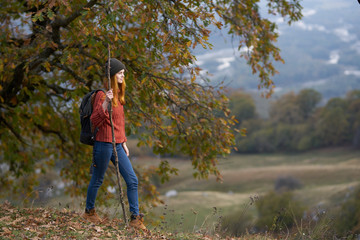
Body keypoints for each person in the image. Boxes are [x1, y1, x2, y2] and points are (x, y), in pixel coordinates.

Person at [81, 58, 146, 230]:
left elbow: (119, 122)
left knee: (132, 180)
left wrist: (123, 140)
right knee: (97, 179)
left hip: (117, 145)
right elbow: (95, 120)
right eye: (120, 73)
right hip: (102, 144)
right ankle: (89, 212)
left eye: (123, 73)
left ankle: (135, 219)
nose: (123, 76)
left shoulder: (118, 95)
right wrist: (105, 103)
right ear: (112, 75)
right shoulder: (103, 95)